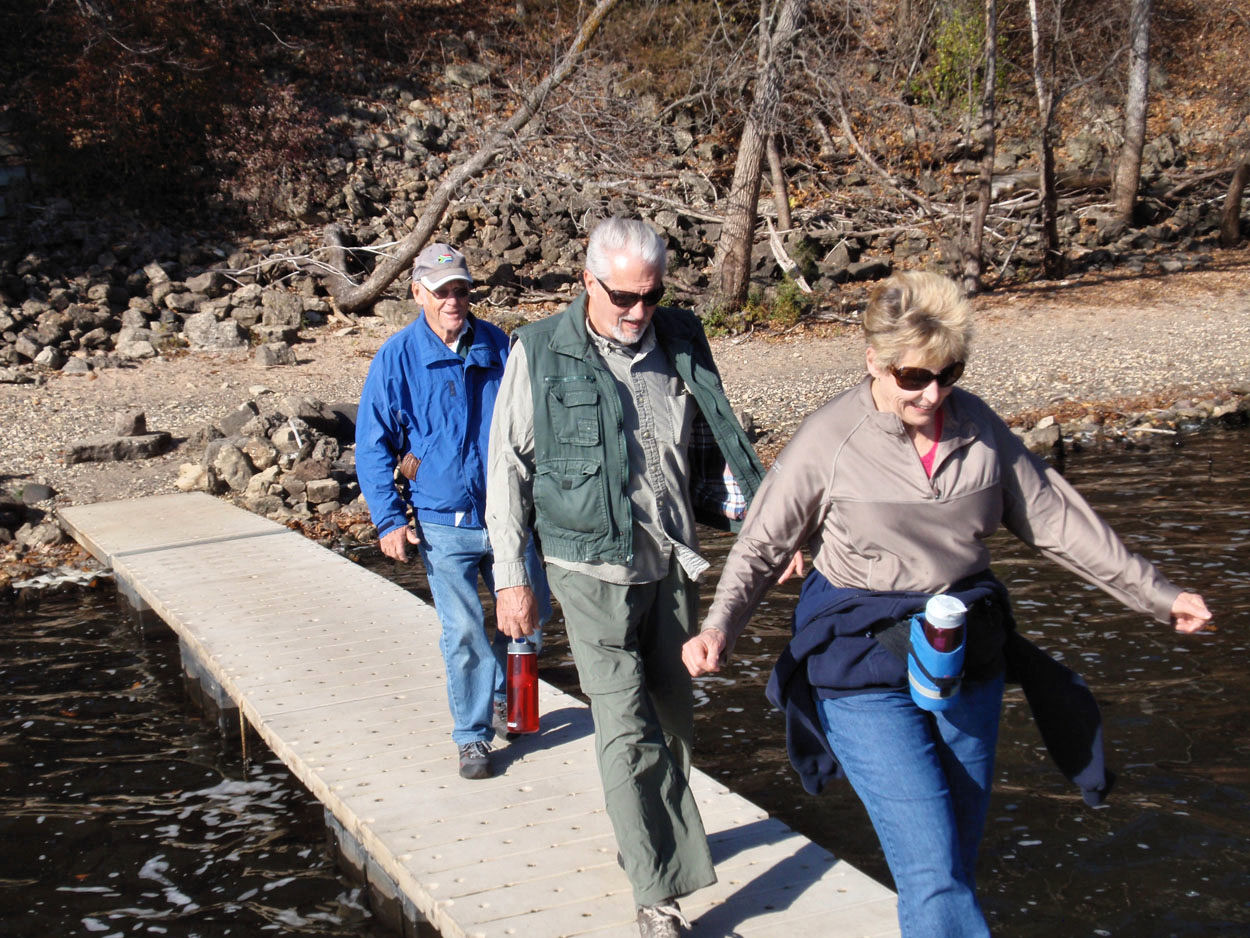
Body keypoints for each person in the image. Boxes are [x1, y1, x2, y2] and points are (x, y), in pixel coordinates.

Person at [682, 270, 1213, 938]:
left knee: (954, 857)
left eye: (948, 374)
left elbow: (1057, 520)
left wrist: (1158, 594)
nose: (933, 395)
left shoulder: (978, 428)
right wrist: (720, 627)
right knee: (932, 869)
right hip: (862, 663)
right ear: (874, 361)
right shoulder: (828, 439)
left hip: (964, 653)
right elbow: (762, 544)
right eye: (913, 377)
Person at [486, 217, 764, 938]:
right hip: (587, 571)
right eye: (623, 297)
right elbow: (507, 469)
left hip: (672, 564)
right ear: (588, 282)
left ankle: (642, 839)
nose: (639, 311)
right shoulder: (538, 350)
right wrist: (512, 578)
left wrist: (770, 525)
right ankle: (656, 896)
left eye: (652, 295)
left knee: (673, 724)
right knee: (625, 728)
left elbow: (719, 438)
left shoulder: (680, 336)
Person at [355, 241, 550, 781]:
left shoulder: (499, 345)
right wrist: (389, 519)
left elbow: (534, 426)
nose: (453, 301)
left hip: (510, 520)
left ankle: (505, 700)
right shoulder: (396, 357)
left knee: (529, 620)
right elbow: (372, 446)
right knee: (463, 632)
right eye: (442, 291)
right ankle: (471, 737)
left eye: (461, 290)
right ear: (418, 293)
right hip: (443, 526)